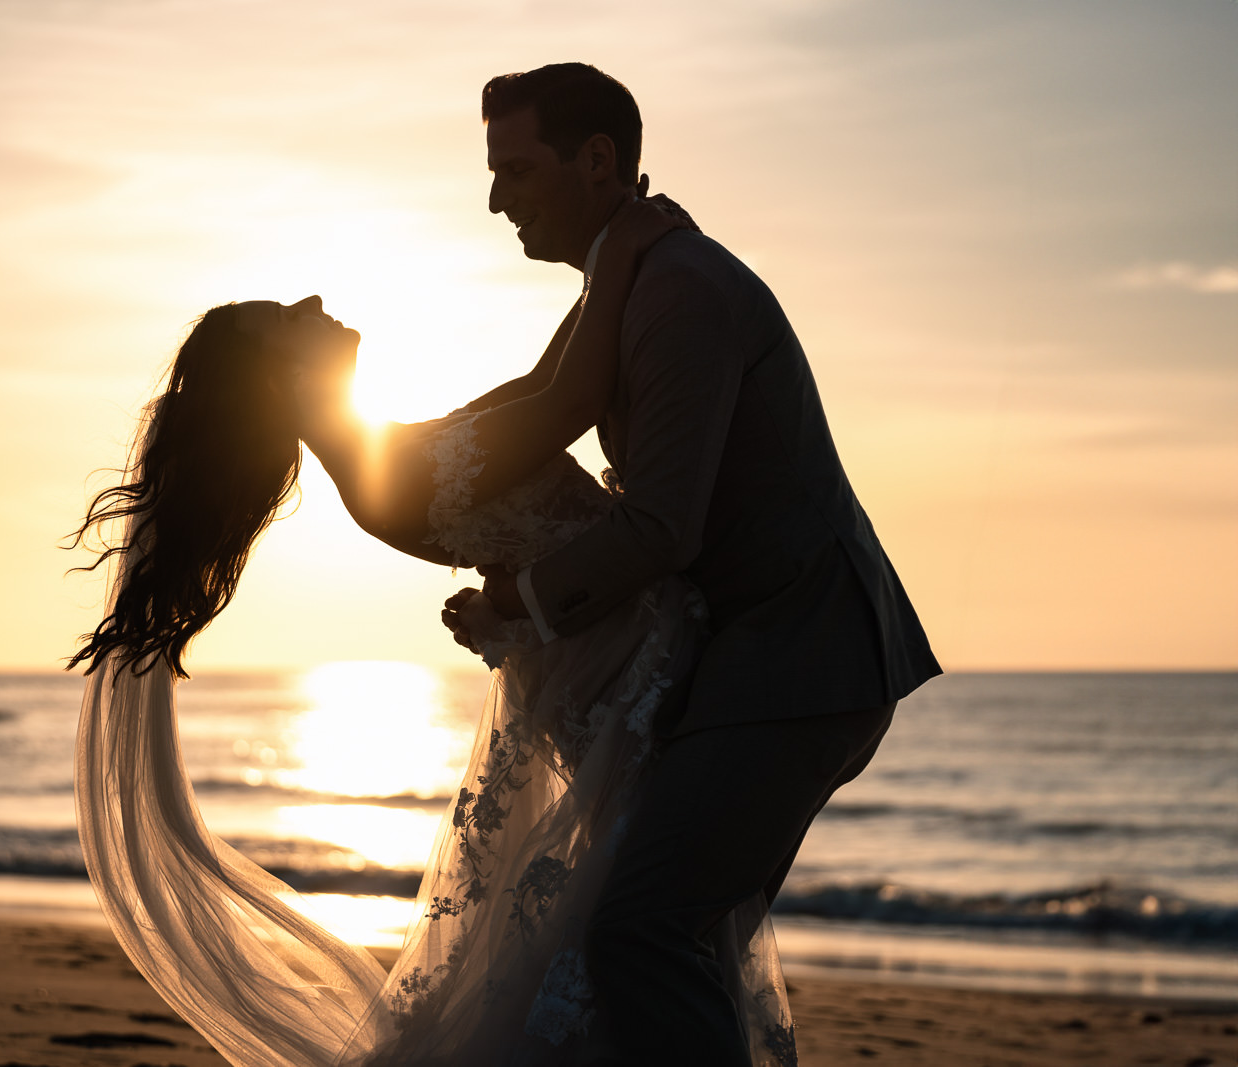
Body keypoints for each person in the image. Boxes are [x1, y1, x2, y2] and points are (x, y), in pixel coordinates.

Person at [68, 199, 800, 1066]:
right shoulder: (391, 476)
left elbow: (539, 384)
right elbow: (571, 395)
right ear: (278, 383)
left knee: (651, 937)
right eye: (285, 321)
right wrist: (625, 252)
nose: (308, 303)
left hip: (629, 669)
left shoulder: (396, 447)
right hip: (626, 687)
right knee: (640, 941)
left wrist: (607, 256)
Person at [438, 63, 942, 1065]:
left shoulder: (678, 291)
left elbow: (661, 526)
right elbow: (534, 406)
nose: (496, 199)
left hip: (807, 656)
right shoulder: (623, 283)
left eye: (517, 170)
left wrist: (519, 603)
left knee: (639, 926)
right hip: (765, 658)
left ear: (597, 161)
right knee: (655, 932)